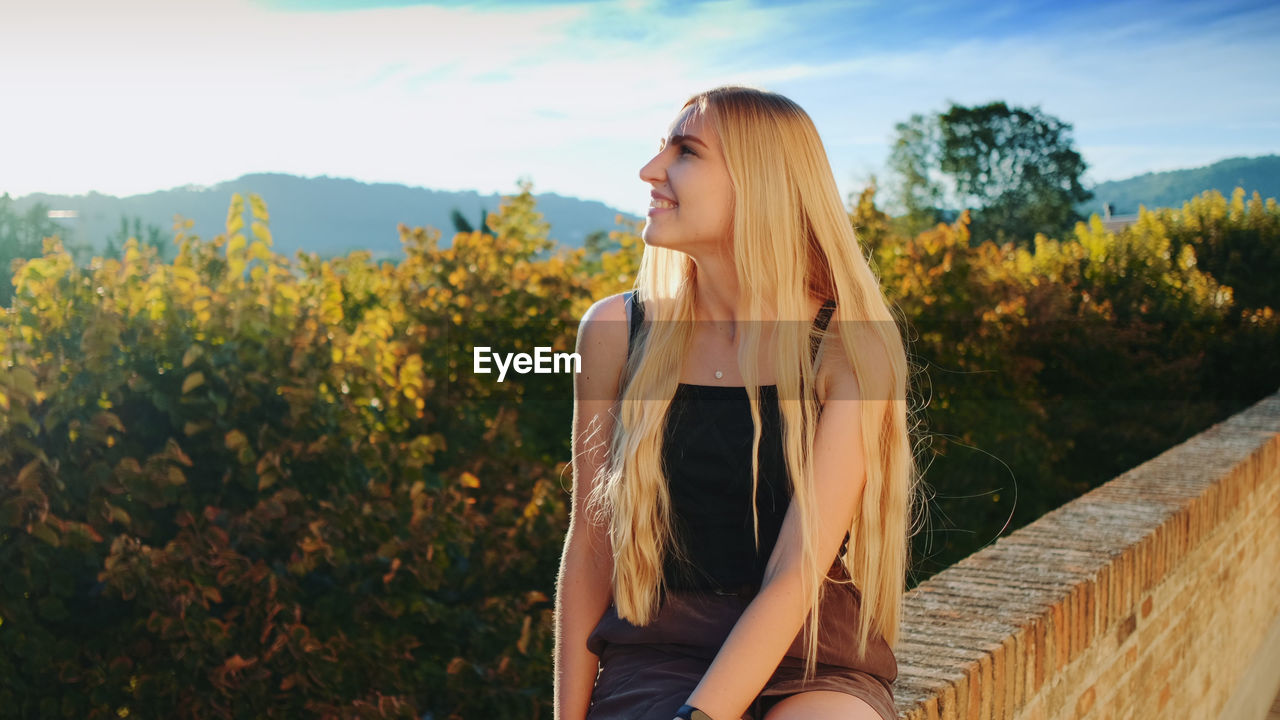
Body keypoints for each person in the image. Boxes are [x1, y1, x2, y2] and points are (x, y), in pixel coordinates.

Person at [554, 85, 921, 720]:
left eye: (686, 151)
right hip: (658, 653)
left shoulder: (848, 347)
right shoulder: (615, 332)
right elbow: (590, 544)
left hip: (814, 657)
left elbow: (795, 571)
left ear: (760, 184)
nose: (650, 171)